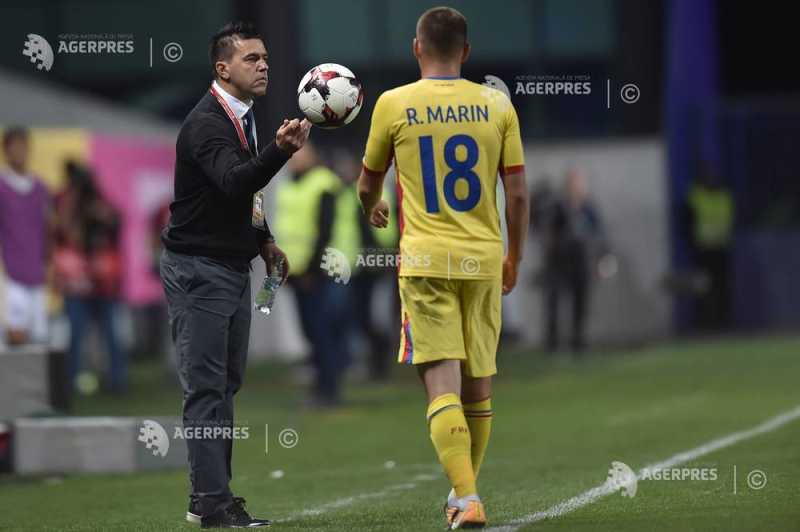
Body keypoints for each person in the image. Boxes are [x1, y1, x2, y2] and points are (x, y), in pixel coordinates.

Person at [357, 7, 529, 529]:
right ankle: (464, 495)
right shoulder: (497, 104)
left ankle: (467, 496)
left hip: (426, 261)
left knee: (441, 387)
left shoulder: (393, 103)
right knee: (478, 389)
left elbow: (367, 182)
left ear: (416, 48)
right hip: (484, 260)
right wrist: (515, 256)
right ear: (467, 51)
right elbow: (518, 194)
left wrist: (372, 206)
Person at [159, 21, 310, 528]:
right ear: (223, 69)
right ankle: (212, 502)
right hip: (198, 269)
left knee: (224, 385)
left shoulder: (241, 114)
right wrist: (280, 151)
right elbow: (232, 181)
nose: (264, 65)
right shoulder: (206, 123)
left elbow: (248, 194)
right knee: (207, 389)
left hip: (226, 265)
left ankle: (208, 497)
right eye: (252, 59)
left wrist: (263, 238)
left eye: (265, 57)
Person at [275, 142, 354, 407]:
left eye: (300, 154)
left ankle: (328, 390)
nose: (294, 159)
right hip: (294, 271)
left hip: (318, 272)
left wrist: (312, 270)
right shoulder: (289, 184)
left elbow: (325, 231)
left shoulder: (323, 183)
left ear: (313, 156)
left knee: (323, 331)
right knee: (310, 331)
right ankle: (321, 386)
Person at [52, 161, 127, 392]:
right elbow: (67, 235)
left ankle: (117, 380)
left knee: (111, 333)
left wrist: (99, 212)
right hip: (77, 282)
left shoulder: (101, 204)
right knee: (75, 332)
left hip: (104, 282)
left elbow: (116, 224)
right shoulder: (65, 203)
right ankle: (69, 381)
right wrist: (73, 206)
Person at [542, 168, 606, 353]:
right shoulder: (558, 208)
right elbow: (549, 233)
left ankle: (578, 340)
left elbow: (599, 233)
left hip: (582, 261)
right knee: (555, 301)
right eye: (573, 183)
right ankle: (553, 342)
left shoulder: (589, 208)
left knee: (581, 302)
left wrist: (601, 258)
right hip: (560, 262)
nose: (576, 187)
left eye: (579, 183)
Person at [0, 126, 50, 346]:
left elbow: (47, 229)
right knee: (14, 340)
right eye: (15, 146)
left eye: (23, 146)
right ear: (5, 150)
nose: (20, 151)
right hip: (9, 277)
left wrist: (48, 263)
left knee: (39, 341)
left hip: (37, 275)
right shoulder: (2, 186)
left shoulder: (40, 187)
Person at [686, 163, 734, 330]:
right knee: (702, 287)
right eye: (707, 176)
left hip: (721, 249)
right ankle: (703, 323)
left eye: (713, 175)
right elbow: (688, 222)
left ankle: (723, 323)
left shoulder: (725, 197)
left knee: (722, 287)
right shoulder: (696, 197)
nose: (711, 179)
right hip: (703, 250)